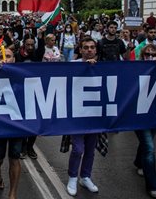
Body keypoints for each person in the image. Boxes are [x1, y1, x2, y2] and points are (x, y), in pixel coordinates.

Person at [64, 37, 103, 196]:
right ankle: (73, 177)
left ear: (96, 49)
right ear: (80, 50)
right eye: (85, 47)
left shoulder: (105, 67)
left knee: (90, 149)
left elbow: (131, 71)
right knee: (78, 149)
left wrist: (155, 61)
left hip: (95, 113)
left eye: (92, 47)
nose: (89, 50)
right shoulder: (73, 65)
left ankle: (85, 176)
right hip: (76, 114)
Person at [134, 44, 156, 198]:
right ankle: (153, 186)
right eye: (147, 54)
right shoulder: (135, 68)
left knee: (147, 142)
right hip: (139, 115)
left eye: (153, 54)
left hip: (155, 114)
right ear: (142, 55)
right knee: (149, 147)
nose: (150, 57)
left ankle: (139, 163)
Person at [0, 47, 22, 199]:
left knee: (14, 156)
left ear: (14, 59)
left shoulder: (22, 74)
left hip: (17, 122)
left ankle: (13, 193)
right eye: (3, 56)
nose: (6, 58)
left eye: (9, 56)